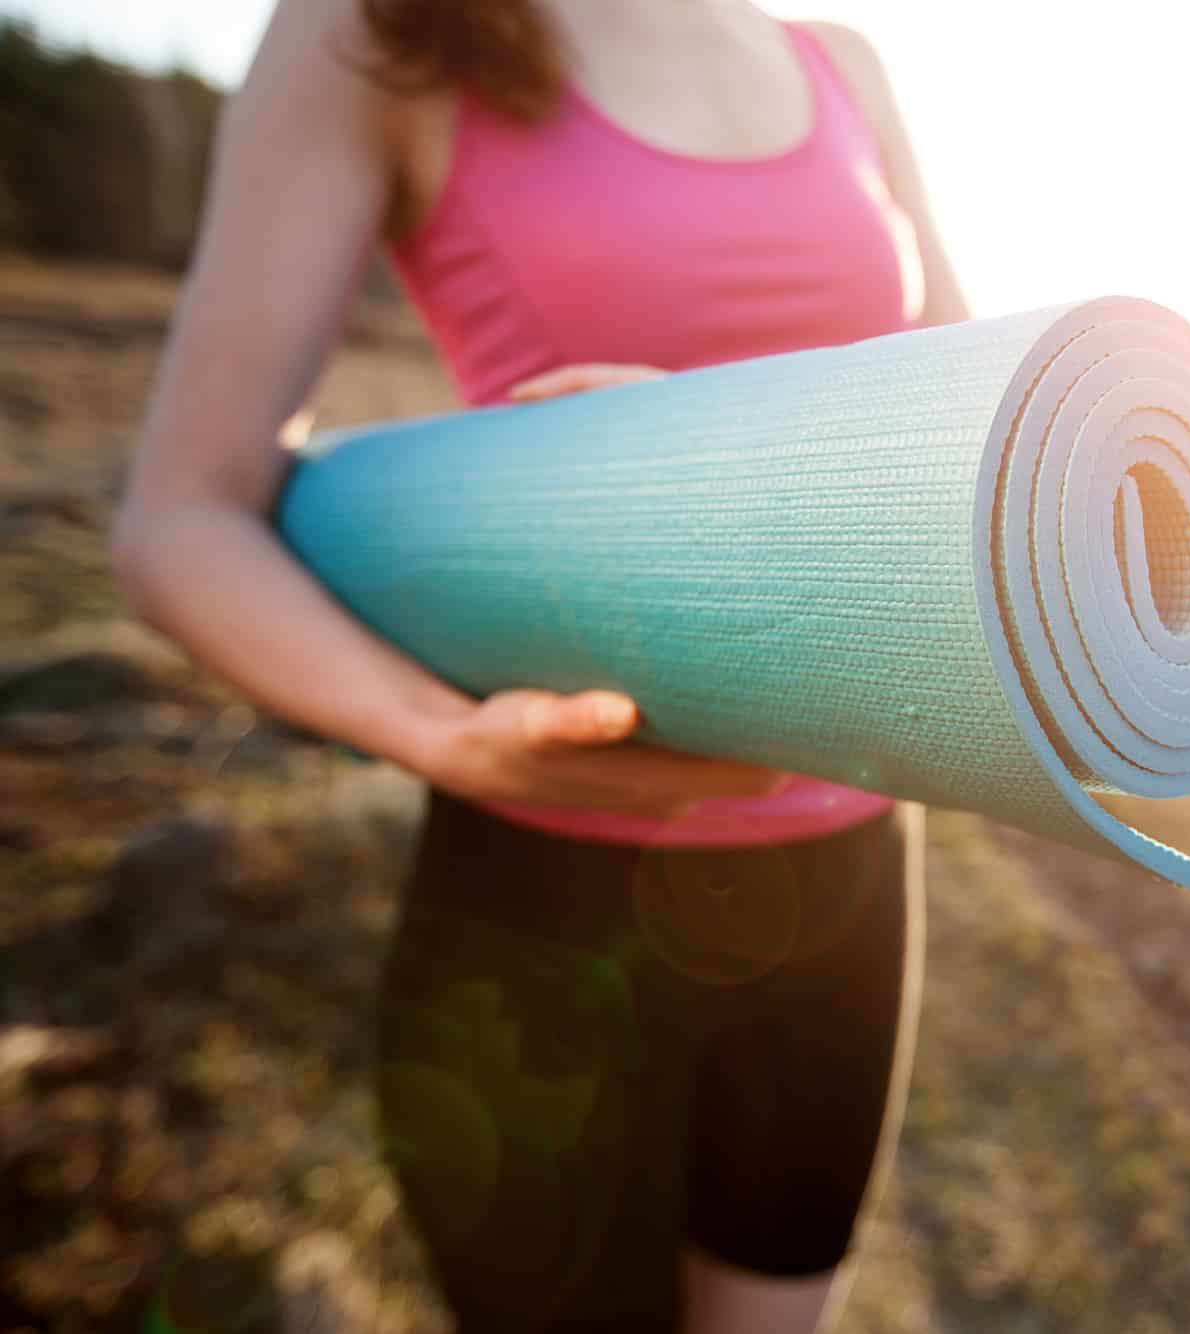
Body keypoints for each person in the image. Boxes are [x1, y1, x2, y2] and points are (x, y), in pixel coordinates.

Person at [112, 0, 969, 1328]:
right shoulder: (380, 31)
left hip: (847, 884)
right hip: (545, 900)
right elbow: (182, 513)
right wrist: (434, 731)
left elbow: (964, 439)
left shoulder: (838, 62)